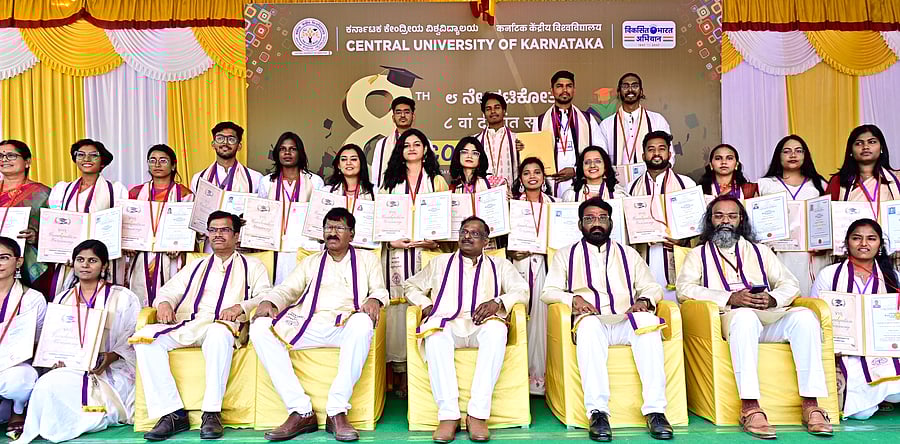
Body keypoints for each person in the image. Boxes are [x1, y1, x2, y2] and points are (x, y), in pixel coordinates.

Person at [675, 195, 832, 438]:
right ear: (710, 221)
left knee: (805, 317)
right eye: (719, 216)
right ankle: (750, 407)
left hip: (768, 315)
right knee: (745, 317)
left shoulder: (761, 251)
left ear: (741, 221)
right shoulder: (698, 255)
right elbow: (684, 289)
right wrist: (729, 297)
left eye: (732, 216)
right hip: (730, 318)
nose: (725, 221)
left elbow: (790, 284)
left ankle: (811, 405)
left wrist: (772, 298)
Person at [130, 211, 272, 441]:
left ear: (236, 236)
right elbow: (168, 291)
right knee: (145, 338)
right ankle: (172, 413)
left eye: (224, 230)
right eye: (213, 230)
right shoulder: (197, 265)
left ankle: (212, 412)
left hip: (226, 326)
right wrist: (164, 304)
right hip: (190, 323)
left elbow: (265, 296)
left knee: (218, 332)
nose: (218, 235)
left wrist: (240, 307)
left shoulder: (253, 266)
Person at [541, 197, 673, 441]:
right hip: (591, 320)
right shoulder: (565, 255)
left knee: (648, 323)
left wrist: (644, 302)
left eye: (602, 218)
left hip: (624, 320)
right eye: (590, 219)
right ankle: (598, 412)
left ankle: (656, 411)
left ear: (611, 223)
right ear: (581, 224)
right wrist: (573, 300)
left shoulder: (628, 254)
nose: (596, 223)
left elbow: (652, 287)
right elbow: (548, 291)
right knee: (589, 326)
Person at [250, 208, 387, 442]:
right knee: (260, 328)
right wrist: (269, 300)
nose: (332, 233)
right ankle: (301, 410)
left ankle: (336, 411)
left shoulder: (367, 259)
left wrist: (374, 299)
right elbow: (288, 289)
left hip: (345, 325)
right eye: (328, 228)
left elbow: (379, 290)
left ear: (351, 234)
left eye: (339, 228)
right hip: (308, 324)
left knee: (363, 323)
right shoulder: (311, 262)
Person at [405, 216, 528, 443]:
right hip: (449, 322)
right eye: (464, 232)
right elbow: (410, 286)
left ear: (486, 241)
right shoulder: (439, 263)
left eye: (475, 233)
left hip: (481, 325)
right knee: (435, 335)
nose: (467, 236)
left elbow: (522, 290)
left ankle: (477, 415)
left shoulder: (500, 265)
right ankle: (449, 415)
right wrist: (426, 304)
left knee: (496, 331)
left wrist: (498, 302)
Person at [16, 240, 141, 443]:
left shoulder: (123, 297)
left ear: (105, 265)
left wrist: (111, 356)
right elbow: (52, 338)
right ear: (72, 263)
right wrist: (55, 360)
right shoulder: (61, 299)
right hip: (71, 368)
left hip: (111, 370)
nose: (85, 265)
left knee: (98, 406)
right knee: (47, 384)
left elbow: (132, 335)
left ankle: (88, 416)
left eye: (92, 260)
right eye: (80, 260)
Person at [380, 128, 448, 398]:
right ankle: (400, 373)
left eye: (417, 144)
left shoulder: (437, 181)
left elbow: (447, 224)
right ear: (400, 150)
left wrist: (434, 241)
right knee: (398, 311)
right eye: (406, 144)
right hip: (397, 254)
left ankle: (423, 370)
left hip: (427, 254)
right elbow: (381, 222)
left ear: (425, 149)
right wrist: (390, 241)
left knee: (425, 304)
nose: (411, 148)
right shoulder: (389, 182)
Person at [811, 219, 900, 420]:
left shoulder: (891, 277)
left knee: (896, 391)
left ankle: (883, 397)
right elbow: (815, 315)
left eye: (871, 239)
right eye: (856, 238)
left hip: (882, 350)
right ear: (847, 242)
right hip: (845, 351)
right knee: (862, 413)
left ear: (880, 245)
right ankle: (875, 399)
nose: (863, 244)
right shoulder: (830, 275)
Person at [47, 139, 128, 298]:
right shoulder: (62, 190)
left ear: (102, 162)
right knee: (69, 301)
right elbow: (55, 223)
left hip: (102, 257)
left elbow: (122, 225)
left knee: (103, 301)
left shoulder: (116, 190)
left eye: (93, 155)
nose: (86, 159)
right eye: (81, 155)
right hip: (69, 257)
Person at [626, 131, 695, 300]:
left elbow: (697, 227)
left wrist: (682, 241)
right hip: (644, 254)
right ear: (643, 155)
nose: (656, 153)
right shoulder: (630, 188)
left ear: (669, 154)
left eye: (661, 149)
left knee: (676, 312)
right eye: (651, 149)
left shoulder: (686, 184)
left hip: (674, 256)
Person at [757, 135, 829, 295]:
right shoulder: (764, 185)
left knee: (810, 297)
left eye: (798, 151)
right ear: (778, 156)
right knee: (781, 295)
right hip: (777, 252)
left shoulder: (820, 184)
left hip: (810, 254)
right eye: (787, 151)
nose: (793, 155)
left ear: (805, 155)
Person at [126, 145, 194, 307]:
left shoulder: (184, 194)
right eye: (152, 160)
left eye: (163, 160)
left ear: (173, 165)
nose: (157, 164)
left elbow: (190, 227)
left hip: (171, 255)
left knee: (171, 293)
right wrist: (128, 243)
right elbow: (128, 223)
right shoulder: (136, 193)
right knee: (139, 293)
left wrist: (179, 244)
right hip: (141, 254)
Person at [509, 157, 555, 394]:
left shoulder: (554, 205)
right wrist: (512, 251)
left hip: (546, 266)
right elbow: (502, 239)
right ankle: (519, 377)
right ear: (521, 179)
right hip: (519, 264)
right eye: (526, 173)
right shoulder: (513, 206)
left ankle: (541, 377)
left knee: (542, 320)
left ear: (543, 177)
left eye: (537, 172)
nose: (532, 176)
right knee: (520, 318)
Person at [258, 132, 325, 285]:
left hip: (304, 248)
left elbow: (319, 217)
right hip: (275, 248)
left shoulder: (315, 181)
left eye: (292, 149)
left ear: (300, 152)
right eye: (283, 149)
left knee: (304, 289)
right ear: (277, 153)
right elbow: (261, 216)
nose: (287, 153)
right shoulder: (266, 182)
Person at [0, 237, 47, 438]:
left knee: (21, 379)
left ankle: (18, 410)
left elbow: (39, 343)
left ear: (18, 262)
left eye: (3, 257)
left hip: (15, 365)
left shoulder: (33, 298)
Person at [0, 140, 51, 294]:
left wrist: (35, 237)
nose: (4, 160)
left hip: (26, 263)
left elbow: (56, 232)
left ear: (27, 162)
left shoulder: (43, 193)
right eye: (1, 156)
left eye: (11, 155)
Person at [536, 70, 597, 197]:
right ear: (552, 91)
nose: (564, 90)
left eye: (568, 86)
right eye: (559, 86)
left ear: (574, 90)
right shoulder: (540, 121)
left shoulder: (587, 119)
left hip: (580, 182)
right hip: (550, 184)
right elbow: (534, 156)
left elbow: (600, 153)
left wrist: (576, 171)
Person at [597, 73, 672, 166]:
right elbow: (600, 157)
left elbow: (670, 155)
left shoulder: (657, 120)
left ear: (641, 91)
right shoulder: (606, 124)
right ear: (619, 92)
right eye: (625, 86)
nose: (630, 89)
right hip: (617, 178)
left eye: (635, 86)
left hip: (650, 177)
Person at [826, 124, 900, 209]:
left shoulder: (897, 178)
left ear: (881, 147)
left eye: (872, 142)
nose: (865, 147)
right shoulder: (838, 181)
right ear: (850, 150)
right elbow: (828, 216)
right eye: (858, 143)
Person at [190, 121, 264, 194]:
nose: (225, 143)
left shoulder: (255, 178)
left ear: (239, 146)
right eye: (220, 138)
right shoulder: (198, 179)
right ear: (213, 144)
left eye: (231, 139)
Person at [474, 92, 524, 185]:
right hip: (484, 193)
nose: (493, 111)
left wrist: (523, 151)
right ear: (484, 114)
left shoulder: (517, 140)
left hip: (510, 194)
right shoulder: (476, 140)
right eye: (488, 109)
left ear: (504, 111)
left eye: (497, 107)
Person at [371, 97, 416, 188]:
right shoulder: (382, 144)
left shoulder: (424, 143)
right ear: (393, 117)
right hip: (390, 195)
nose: (402, 115)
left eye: (407, 112)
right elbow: (376, 177)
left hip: (417, 193)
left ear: (413, 116)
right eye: (398, 112)